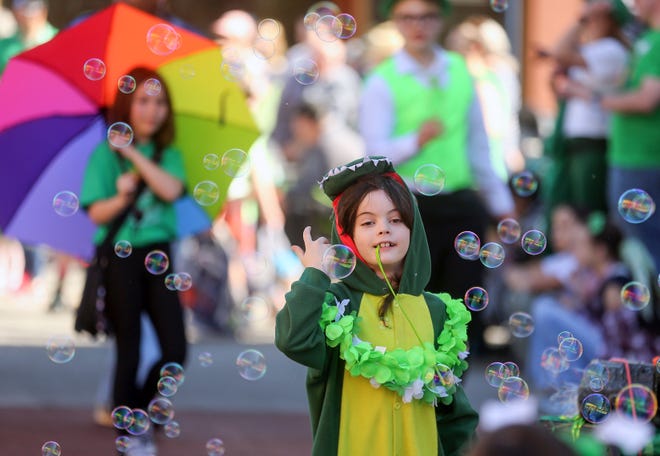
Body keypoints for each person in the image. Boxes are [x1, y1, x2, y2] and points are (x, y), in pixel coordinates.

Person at [275, 156, 478, 456]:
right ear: (349, 237)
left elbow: (453, 410)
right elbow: (294, 340)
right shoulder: (337, 305)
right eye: (368, 222)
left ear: (414, 229)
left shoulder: (439, 313)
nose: (384, 229)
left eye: (396, 220)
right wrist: (315, 276)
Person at [359, 0, 515, 354]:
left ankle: (454, 394)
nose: (418, 25)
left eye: (427, 16)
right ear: (395, 22)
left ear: (441, 19)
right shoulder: (381, 80)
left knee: (461, 311)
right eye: (408, 17)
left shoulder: (459, 69)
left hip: (460, 202)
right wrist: (416, 139)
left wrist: (501, 203)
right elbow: (373, 154)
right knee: (415, 305)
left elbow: (479, 145)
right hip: (410, 207)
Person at [80, 67, 187, 455]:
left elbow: (171, 189)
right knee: (129, 347)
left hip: (159, 253)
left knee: (176, 349)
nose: (152, 110)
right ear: (127, 104)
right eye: (143, 100)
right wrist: (122, 195)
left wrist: (132, 154)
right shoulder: (102, 156)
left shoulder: (168, 154)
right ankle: (128, 436)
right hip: (121, 259)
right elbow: (95, 213)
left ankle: (137, 413)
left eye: (160, 102)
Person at [540, 0, 631, 222]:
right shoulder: (594, 49)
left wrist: (580, 19)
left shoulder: (611, 49)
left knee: (588, 212)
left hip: (593, 141)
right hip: (578, 140)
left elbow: (561, 51)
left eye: (594, 15)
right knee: (570, 210)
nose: (588, 20)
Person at [601, 0, 660, 273]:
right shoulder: (646, 40)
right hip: (632, 155)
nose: (633, 2)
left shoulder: (656, 42)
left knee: (646, 239)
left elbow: (647, 99)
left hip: (644, 157)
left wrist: (601, 99)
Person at [0, 0, 56, 75]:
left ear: (44, 11)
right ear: (14, 12)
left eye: (34, 5)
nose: (28, 13)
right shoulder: (3, 46)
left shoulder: (60, 39)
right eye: (22, 6)